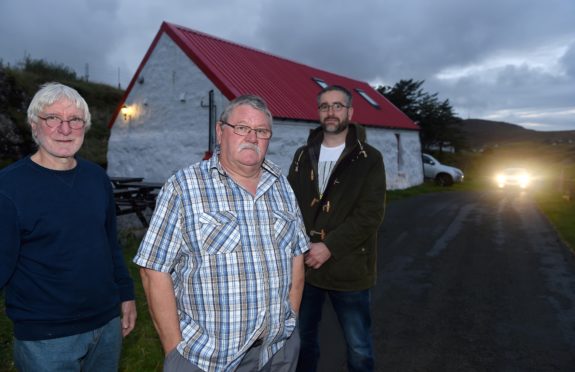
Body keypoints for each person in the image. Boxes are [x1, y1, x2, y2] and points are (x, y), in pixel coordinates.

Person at [134, 95, 309, 372]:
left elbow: (297, 257)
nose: (252, 137)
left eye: (261, 131)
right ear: (220, 131)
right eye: (241, 127)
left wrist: (290, 323)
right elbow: (153, 270)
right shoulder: (184, 186)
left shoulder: (282, 187)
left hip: (277, 352)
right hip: (208, 360)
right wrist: (175, 353)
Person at [0, 82, 137, 371]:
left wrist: (125, 295)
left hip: (107, 324)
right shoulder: (8, 188)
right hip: (46, 338)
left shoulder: (96, 178)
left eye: (74, 120)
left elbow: (110, 243)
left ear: (85, 127)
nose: (65, 129)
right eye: (53, 119)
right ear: (34, 126)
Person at [288, 85, 386, 372]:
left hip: (350, 266)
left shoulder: (369, 158)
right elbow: (290, 205)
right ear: (318, 112)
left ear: (350, 112)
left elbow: (371, 214)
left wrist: (329, 246)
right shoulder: (301, 155)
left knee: (358, 347)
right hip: (304, 266)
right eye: (325, 106)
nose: (331, 112)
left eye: (338, 106)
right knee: (301, 342)